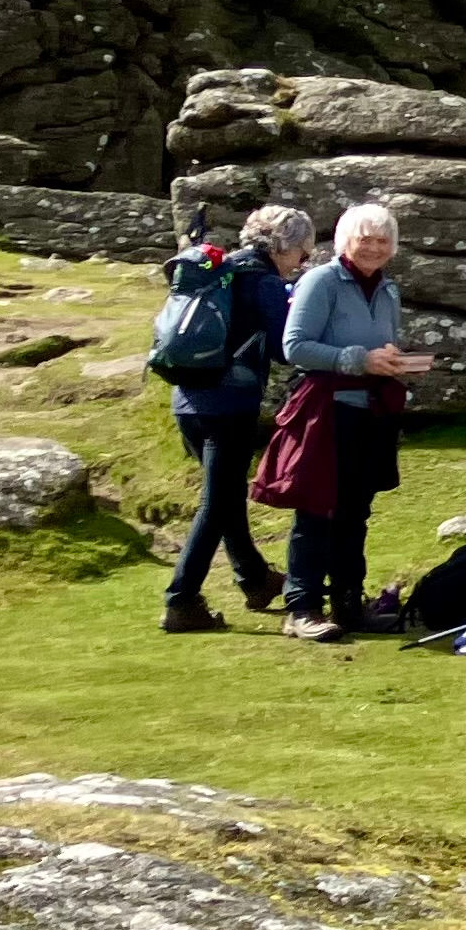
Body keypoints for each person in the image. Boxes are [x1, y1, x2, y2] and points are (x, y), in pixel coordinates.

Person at [276, 200, 435, 642]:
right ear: (346, 240)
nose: (374, 248)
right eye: (365, 239)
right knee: (317, 509)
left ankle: (348, 605)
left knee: (355, 511)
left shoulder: (388, 290)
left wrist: (395, 361)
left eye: (383, 240)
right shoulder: (321, 281)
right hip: (326, 410)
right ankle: (302, 608)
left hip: (372, 412)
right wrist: (359, 360)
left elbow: (382, 345)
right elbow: (295, 346)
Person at [159, 204, 314, 634]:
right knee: (217, 503)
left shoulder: (218, 270)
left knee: (225, 497)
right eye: (302, 253)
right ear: (282, 247)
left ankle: (254, 578)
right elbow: (285, 348)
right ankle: (181, 600)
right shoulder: (264, 282)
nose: (302, 262)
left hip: (186, 400)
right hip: (230, 405)